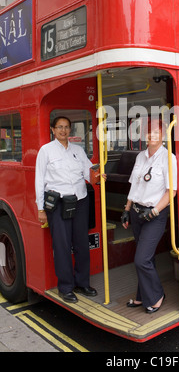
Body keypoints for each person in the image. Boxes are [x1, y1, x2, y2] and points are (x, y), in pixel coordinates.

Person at [35, 116, 99, 303]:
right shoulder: (45, 151)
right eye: (59, 127)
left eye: (66, 127)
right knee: (62, 246)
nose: (63, 130)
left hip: (80, 201)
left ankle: (82, 283)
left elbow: (89, 171)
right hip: (59, 203)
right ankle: (65, 287)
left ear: (70, 130)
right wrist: (41, 209)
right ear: (53, 130)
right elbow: (39, 181)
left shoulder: (78, 151)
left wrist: (98, 175)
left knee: (81, 243)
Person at [121, 117, 177, 314]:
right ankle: (142, 296)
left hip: (155, 215)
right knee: (147, 258)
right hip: (137, 213)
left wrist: (153, 212)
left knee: (141, 259)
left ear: (163, 134)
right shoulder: (140, 157)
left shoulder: (169, 158)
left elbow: (172, 192)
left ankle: (156, 296)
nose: (151, 134)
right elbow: (134, 185)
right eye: (148, 131)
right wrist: (127, 210)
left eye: (156, 131)